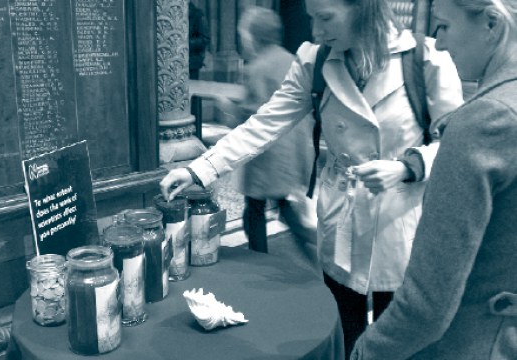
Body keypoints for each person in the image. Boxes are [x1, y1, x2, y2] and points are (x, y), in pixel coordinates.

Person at [161, 0, 463, 357]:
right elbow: (265, 123)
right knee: (345, 322)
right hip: (343, 215)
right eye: (311, 19)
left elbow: (457, 142)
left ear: (365, 9)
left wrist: (407, 166)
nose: (316, 32)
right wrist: (199, 168)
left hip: (402, 219)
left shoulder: (424, 60)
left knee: (396, 335)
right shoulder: (317, 61)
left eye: (325, 18)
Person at [350, 0, 517, 359]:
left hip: (469, 341)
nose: (439, 43)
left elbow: (427, 306)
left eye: (443, 26)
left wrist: (367, 350)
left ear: (491, 23)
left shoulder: (484, 121)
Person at [215, 6, 317, 258]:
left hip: (265, 157)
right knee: (283, 204)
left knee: (255, 210)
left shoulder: (257, 67)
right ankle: (311, 244)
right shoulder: (291, 59)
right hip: (290, 149)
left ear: (253, 37)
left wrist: (229, 108)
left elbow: (254, 116)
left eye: (244, 36)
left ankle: (261, 258)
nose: (243, 42)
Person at [189, 1, 210, 80]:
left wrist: (186, 44)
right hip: (176, 59)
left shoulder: (197, 15)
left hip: (192, 59)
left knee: (192, 86)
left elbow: (205, 39)